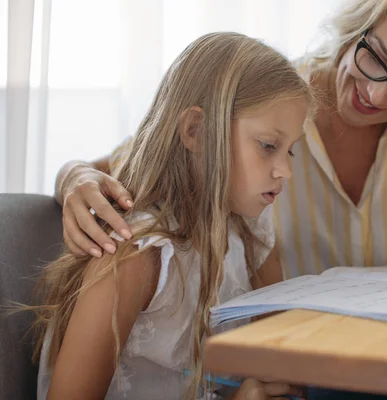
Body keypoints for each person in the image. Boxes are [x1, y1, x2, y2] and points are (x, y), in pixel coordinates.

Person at [55, 0, 387, 290]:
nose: (375, 94)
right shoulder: (263, 103)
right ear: (360, 23)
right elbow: (112, 167)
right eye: (376, 58)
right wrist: (74, 177)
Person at [31, 32, 312, 399]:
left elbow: (278, 356)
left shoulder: (249, 227)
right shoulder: (134, 258)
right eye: (268, 146)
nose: (285, 171)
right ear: (195, 131)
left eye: (289, 151)